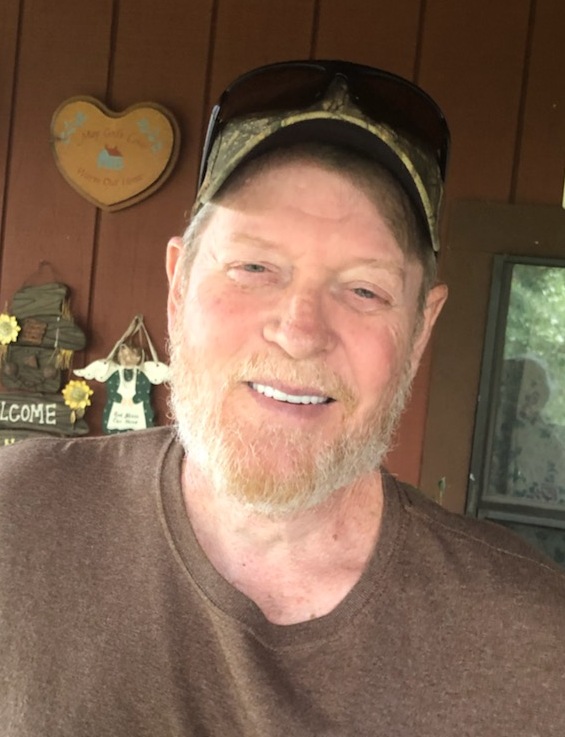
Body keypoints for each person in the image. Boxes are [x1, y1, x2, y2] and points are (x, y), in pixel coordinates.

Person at [1, 60, 564, 736]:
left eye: (364, 289)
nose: (299, 333)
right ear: (179, 287)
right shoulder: (16, 519)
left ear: (420, 330)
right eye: (253, 267)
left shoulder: (536, 646)